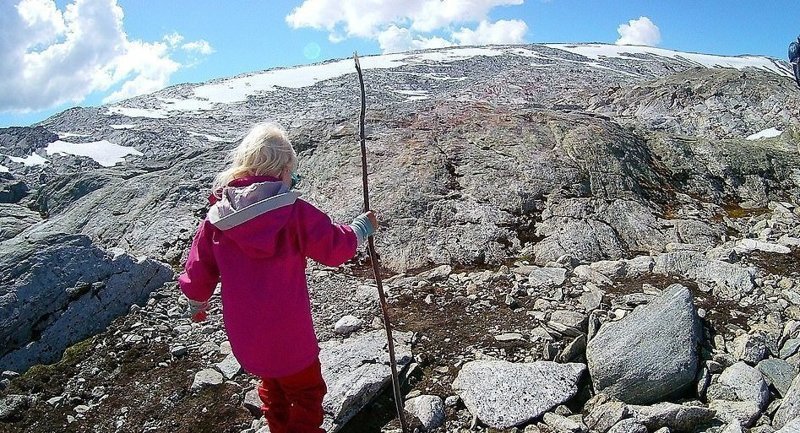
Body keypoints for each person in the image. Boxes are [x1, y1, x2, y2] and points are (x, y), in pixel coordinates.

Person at [178, 123, 377, 433]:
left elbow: (199, 270)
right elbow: (335, 249)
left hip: (248, 340)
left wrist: (197, 303)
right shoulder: (294, 213)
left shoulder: (216, 219)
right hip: (292, 338)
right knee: (308, 395)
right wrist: (360, 229)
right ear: (285, 169)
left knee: (273, 390)